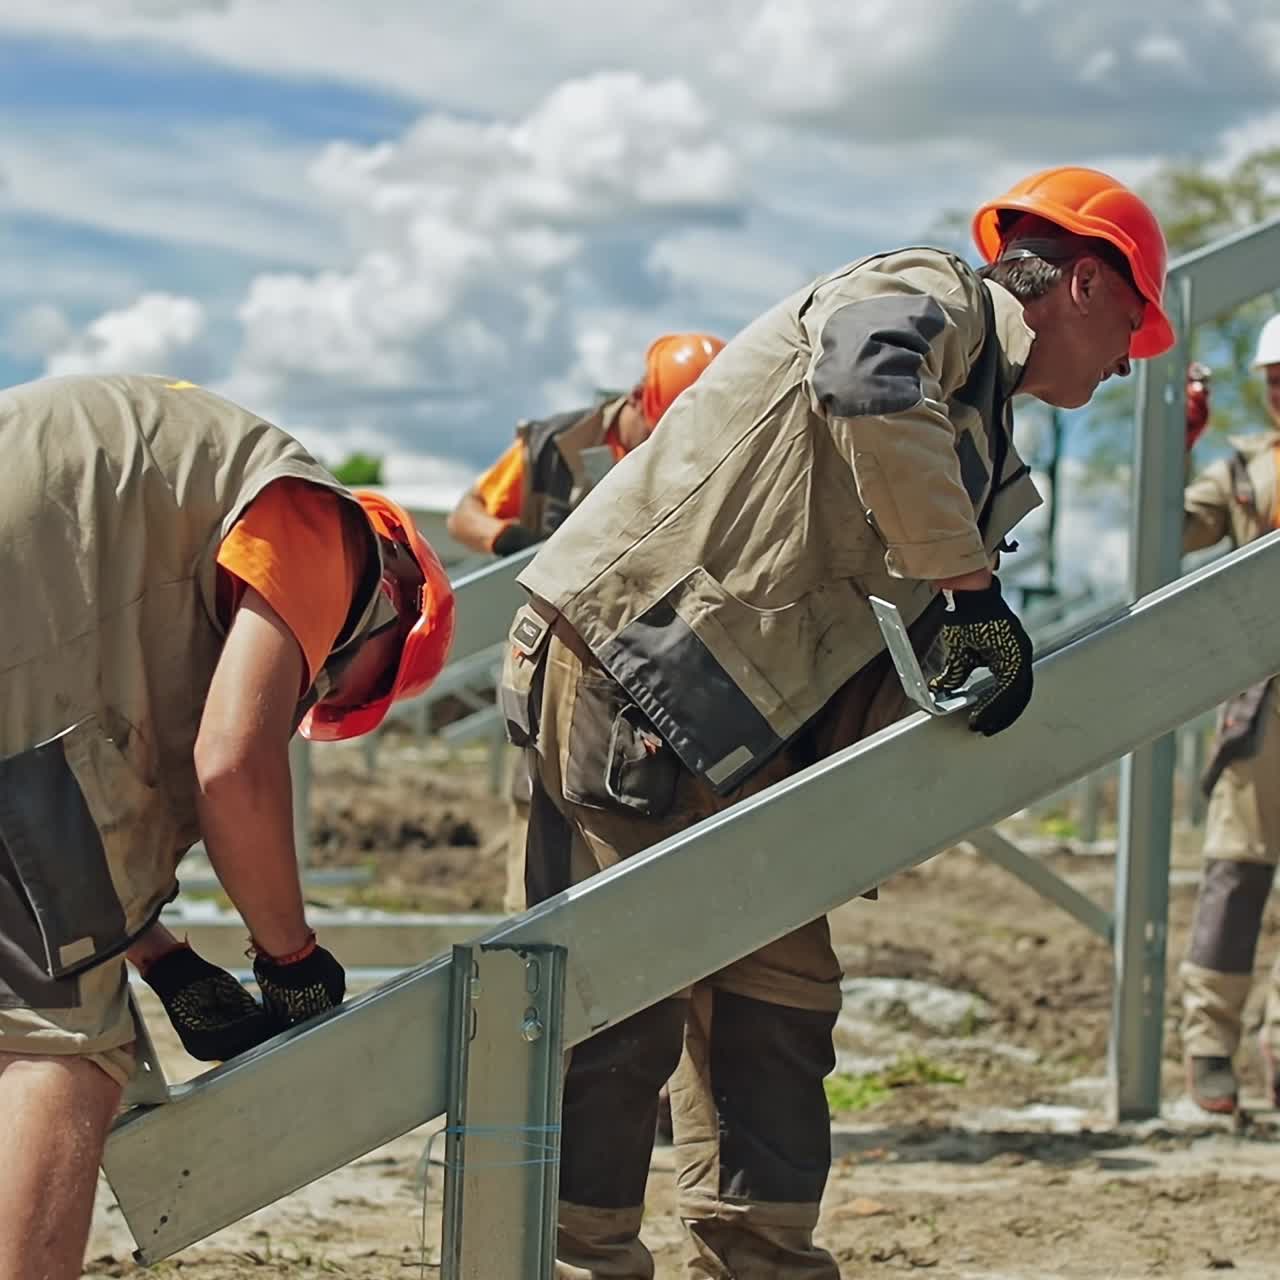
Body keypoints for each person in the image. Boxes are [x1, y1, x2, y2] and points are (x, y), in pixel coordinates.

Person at [499, 166, 1173, 1277]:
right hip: (639, 666)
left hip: (740, 713)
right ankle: (575, 1253)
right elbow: (865, 377)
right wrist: (967, 592)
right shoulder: (931, 296)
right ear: (1087, 282)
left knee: (779, 994)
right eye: (1128, 333)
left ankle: (757, 1252)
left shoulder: (984, 419)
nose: (1120, 364)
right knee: (620, 990)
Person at [0, 373, 454, 1280]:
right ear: (392, 613)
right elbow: (232, 765)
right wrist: (292, 962)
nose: (310, 697)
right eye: (337, 686)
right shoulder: (331, 532)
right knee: (61, 1047)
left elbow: (49, 853)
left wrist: (162, 958)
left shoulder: (169, 520)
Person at [447, 333, 724, 913]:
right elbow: (464, 515)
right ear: (637, 401)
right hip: (549, 668)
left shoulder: (707, 451)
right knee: (538, 842)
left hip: (645, 685)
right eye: (659, 429)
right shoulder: (555, 445)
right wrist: (511, 540)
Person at [1180, 316, 1280, 1114]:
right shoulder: (1245, 472)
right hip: (1264, 701)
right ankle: (1211, 1043)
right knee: (1237, 871)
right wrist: (1173, 446)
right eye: (1274, 379)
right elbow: (1172, 529)